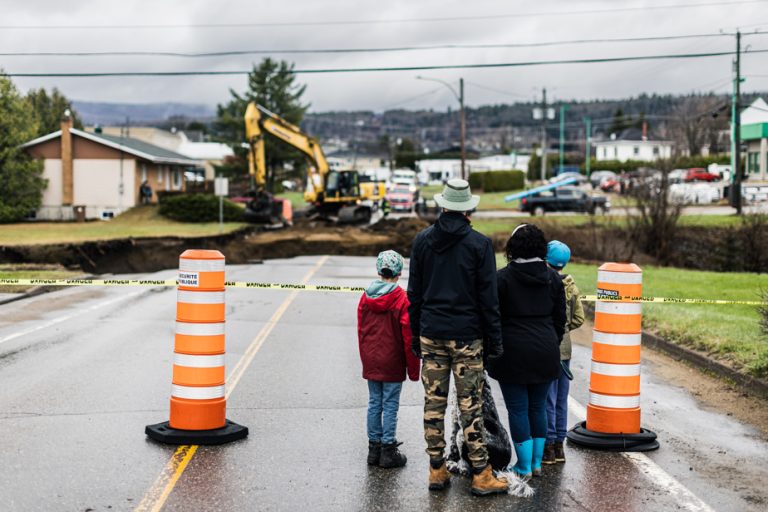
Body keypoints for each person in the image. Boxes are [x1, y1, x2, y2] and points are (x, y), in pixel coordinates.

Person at [408, 178, 508, 496]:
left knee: (433, 405)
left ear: (443, 205)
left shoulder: (422, 241)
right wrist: (495, 341)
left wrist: (415, 335)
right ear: (468, 209)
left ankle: (437, 470)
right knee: (471, 406)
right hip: (467, 337)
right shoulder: (479, 245)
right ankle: (481, 473)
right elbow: (488, 300)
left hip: (431, 333)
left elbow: (414, 295)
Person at [488, 224, 566, 481]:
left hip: (512, 352)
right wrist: (550, 342)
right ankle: (536, 463)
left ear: (513, 248)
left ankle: (522, 466)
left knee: (518, 410)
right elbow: (560, 320)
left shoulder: (501, 279)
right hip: (545, 350)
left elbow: (492, 318)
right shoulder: (554, 279)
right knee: (538, 408)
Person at [357, 250, 420, 468]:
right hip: (392, 360)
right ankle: (388, 449)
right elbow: (408, 335)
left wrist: (365, 356)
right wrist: (413, 369)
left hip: (371, 359)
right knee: (390, 403)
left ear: (378, 270)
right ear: (399, 272)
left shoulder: (365, 296)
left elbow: (361, 330)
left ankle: (373, 450)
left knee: (374, 402)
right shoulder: (401, 298)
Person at [543, 241, 585, 465]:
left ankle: (548, 447)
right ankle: (560, 445)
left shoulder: (546, 283)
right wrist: (566, 329)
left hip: (548, 345)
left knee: (547, 399)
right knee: (561, 398)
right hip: (565, 348)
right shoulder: (571, 284)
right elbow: (579, 318)